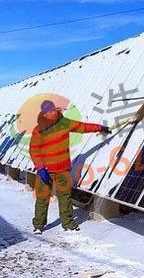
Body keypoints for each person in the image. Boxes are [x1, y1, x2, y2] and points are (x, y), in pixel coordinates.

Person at [29, 100, 110, 233]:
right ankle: (38, 225)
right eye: (49, 111)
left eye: (54, 110)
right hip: (45, 171)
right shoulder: (38, 130)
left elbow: (83, 127)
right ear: (44, 114)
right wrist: (40, 167)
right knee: (42, 198)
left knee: (65, 198)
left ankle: (68, 224)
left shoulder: (64, 123)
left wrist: (100, 128)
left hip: (63, 170)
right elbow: (34, 150)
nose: (53, 113)